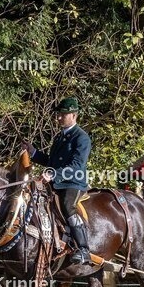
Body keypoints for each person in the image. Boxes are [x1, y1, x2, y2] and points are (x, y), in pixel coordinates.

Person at [26, 97, 92, 265]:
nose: (58, 118)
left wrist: (53, 174)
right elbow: (52, 162)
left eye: (63, 115)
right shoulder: (59, 137)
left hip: (73, 182)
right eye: (58, 115)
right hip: (56, 181)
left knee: (67, 205)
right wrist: (33, 153)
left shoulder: (82, 138)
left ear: (74, 115)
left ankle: (83, 250)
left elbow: (77, 166)